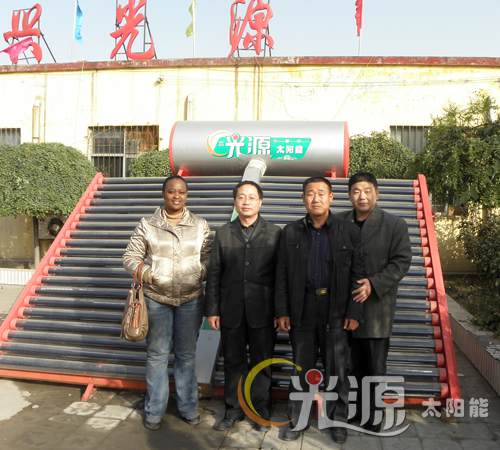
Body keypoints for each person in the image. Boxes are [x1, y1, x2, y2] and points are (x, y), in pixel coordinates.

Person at [275, 176, 364, 444]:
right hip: (302, 309)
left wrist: (354, 312)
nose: (316, 198)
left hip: (336, 309)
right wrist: (282, 311)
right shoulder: (290, 232)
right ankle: (298, 420)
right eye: (310, 193)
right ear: (303, 198)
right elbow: (281, 274)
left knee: (337, 369)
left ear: (331, 198)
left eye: (321, 193)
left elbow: (359, 274)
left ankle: (338, 421)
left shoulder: (348, 231)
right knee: (301, 368)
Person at [123, 175, 211, 431]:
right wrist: (149, 274)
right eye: (171, 191)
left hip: (190, 300)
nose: (176, 196)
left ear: (187, 195)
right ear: (164, 194)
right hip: (156, 299)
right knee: (157, 355)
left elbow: (209, 257)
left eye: (181, 192)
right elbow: (130, 257)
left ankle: (188, 408)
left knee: (186, 355)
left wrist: (200, 273)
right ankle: (154, 411)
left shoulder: (200, 225)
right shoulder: (148, 224)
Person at [335, 171, 412, 432]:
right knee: (349, 365)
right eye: (356, 191)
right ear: (349, 195)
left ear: (376, 194)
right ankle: (353, 412)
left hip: (377, 309)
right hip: (344, 308)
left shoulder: (394, 224)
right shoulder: (338, 222)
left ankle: (374, 417)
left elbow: (401, 262)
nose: (362, 196)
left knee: (375, 366)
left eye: (367, 191)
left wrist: (374, 283)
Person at [205, 180, 281, 432]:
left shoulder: (275, 233)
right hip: (231, 309)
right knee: (233, 362)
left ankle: (260, 411)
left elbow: (281, 276)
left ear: (261, 202)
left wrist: (281, 311)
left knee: (262, 362)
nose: (246, 202)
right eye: (241, 197)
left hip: (264, 310)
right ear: (235, 202)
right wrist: (212, 310)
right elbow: (214, 273)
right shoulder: (223, 233)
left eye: (251, 197)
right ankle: (233, 410)